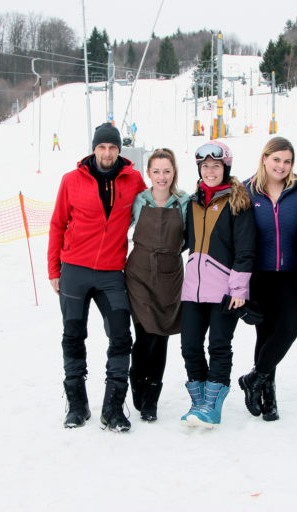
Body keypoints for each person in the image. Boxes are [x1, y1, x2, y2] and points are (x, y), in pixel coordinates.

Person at [47, 122, 146, 432]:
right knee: (73, 335)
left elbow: (154, 206)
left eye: (113, 148)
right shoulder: (71, 180)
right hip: (74, 270)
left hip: (110, 272)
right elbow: (57, 224)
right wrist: (54, 270)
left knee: (121, 334)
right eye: (102, 147)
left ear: (120, 150)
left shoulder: (133, 180)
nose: (107, 153)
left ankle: (113, 407)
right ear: (94, 148)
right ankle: (77, 405)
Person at [180, 141, 255, 428]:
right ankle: (198, 401)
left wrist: (239, 289)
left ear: (226, 168)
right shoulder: (192, 202)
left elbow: (246, 249)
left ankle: (212, 404)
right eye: (205, 166)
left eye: (216, 166)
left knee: (219, 346)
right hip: (193, 290)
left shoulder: (238, 201)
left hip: (225, 289)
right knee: (189, 346)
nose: (210, 171)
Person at [237, 137, 297, 422]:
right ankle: (268, 396)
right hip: (259, 276)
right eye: (276, 159)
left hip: (291, 275)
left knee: (288, 329)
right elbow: (236, 239)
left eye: (287, 161)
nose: (282, 166)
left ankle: (254, 378)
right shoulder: (245, 191)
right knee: (264, 335)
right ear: (265, 158)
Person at [125, 148, 190, 422]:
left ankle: (151, 397)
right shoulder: (139, 200)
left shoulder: (184, 202)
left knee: (160, 336)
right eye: (156, 171)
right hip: (139, 274)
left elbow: (190, 239)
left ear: (173, 171)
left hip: (169, 276)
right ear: (148, 173)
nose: (161, 177)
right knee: (144, 335)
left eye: (166, 170)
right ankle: (136, 378)